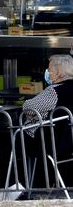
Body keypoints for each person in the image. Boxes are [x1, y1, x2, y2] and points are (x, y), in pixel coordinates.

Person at [21, 54, 73, 187]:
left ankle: (17, 183)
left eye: (49, 69)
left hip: (50, 141)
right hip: (67, 141)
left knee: (9, 139)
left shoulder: (54, 91)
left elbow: (29, 107)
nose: (47, 73)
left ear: (59, 73)